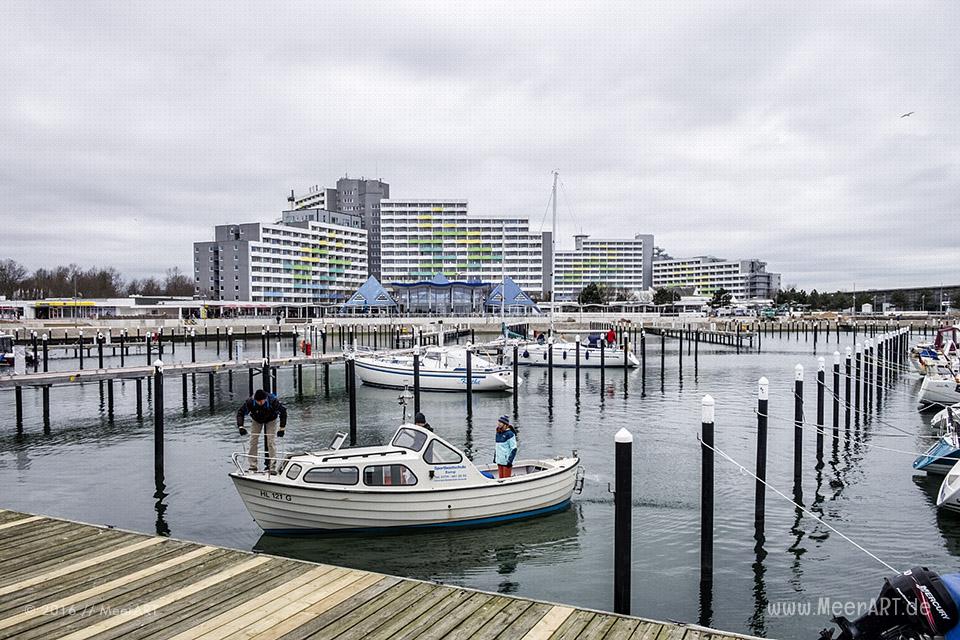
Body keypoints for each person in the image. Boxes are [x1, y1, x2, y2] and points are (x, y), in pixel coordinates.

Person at [236, 389, 288, 472]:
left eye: (262, 401)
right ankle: (253, 466)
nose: (260, 403)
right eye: (258, 401)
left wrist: (282, 428)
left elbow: (283, 412)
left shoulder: (273, 401)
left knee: (270, 442)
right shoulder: (250, 402)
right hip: (256, 419)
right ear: (255, 400)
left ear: (265, 399)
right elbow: (240, 413)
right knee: (253, 441)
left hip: (271, 419)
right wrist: (241, 426)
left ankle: (272, 466)